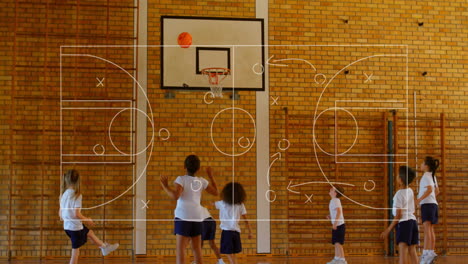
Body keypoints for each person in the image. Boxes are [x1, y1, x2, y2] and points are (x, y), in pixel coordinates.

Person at [160, 155, 219, 264]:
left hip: (183, 217)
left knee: (181, 249)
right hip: (197, 217)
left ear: (184, 167)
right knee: (196, 248)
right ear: (198, 169)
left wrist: (165, 186)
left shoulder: (181, 179)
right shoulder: (202, 181)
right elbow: (216, 192)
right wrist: (211, 176)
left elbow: (175, 196)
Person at [60, 169, 119, 264]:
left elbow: (61, 213)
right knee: (75, 253)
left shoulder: (63, 194)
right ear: (78, 181)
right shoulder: (77, 195)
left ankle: (104, 247)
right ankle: (104, 247)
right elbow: (77, 214)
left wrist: (68, 220)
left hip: (68, 228)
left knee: (89, 233)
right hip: (75, 229)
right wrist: (87, 219)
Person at [381, 166, 419, 264]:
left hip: (404, 224)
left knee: (403, 252)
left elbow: (398, 215)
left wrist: (388, 230)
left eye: (398, 175)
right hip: (413, 222)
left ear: (401, 180)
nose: (396, 176)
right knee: (412, 251)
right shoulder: (410, 191)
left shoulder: (399, 194)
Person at [215, 182, 252, 264]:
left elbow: (211, 204)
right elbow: (246, 220)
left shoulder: (222, 203)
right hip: (236, 232)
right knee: (234, 253)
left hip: (227, 232)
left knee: (228, 252)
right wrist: (250, 231)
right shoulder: (240, 205)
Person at [416, 156, 440, 264]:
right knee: (430, 230)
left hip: (427, 205)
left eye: (422, 163)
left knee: (427, 230)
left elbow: (430, 189)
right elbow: (437, 191)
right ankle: (430, 252)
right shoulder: (433, 176)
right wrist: (431, 198)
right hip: (433, 204)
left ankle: (425, 254)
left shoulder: (426, 175)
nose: (420, 165)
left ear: (426, 166)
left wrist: (419, 199)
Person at [326, 186, 347, 264]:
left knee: (338, 243)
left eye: (332, 189)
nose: (330, 189)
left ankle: (343, 260)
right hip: (336, 225)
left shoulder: (336, 200)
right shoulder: (333, 200)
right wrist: (330, 216)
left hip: (339, 225)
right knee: (335, 242)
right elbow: (335, 212)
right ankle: (336, 258)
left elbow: (339, 212)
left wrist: (335, 223)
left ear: (335, 193)